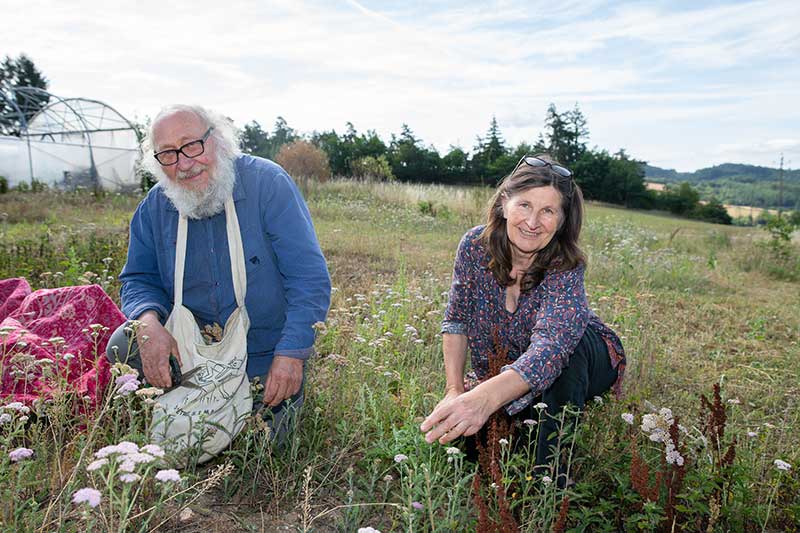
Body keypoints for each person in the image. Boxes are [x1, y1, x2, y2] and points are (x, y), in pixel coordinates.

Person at [108, 104, 331, 435]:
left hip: (263, 352)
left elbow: (309, 279)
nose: (184, 163)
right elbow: (138, 279)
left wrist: (291, 355)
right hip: (188, 351)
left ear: (220, 141)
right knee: (121, 344)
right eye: (168, 153)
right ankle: (171, 406)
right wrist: (148, 321)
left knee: (262, 449)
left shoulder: (267, 184)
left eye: (192, 145)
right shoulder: (155, 206)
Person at [420, 154, 625, 478]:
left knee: (566, 358)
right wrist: (455, 390)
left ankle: (550, 481)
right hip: (516, 361)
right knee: (469, 447)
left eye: (548, 211)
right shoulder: (475, 246)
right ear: (504, 203)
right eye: (525, 205)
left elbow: (551, 348)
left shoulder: (566, 264)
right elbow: (456, 319)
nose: (533, 222)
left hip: (587, 353)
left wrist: (485, 399)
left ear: (561, 221)